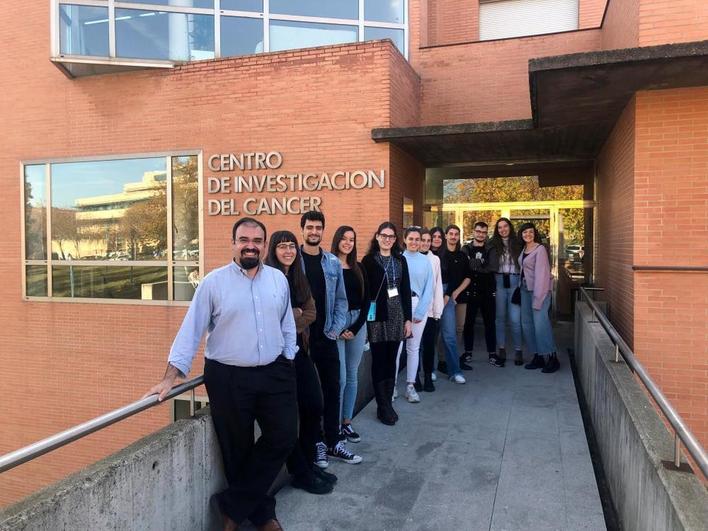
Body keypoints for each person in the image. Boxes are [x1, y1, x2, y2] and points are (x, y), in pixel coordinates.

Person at [144, 217, 297, 531]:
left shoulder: (279, 280)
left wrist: (289, 356)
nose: (250, 245)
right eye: (244, 239)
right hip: (228, 378)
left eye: (257, 240)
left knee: (284, 436)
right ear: (234, 243)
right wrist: (170, 377)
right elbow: (191, 330)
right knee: (236, 448)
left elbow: (287, 324)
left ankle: (231, 508)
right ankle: (264, 514)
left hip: (274, 373)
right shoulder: (213, 283)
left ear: (265, 245)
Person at [265, 231, 337, 496]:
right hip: (277, 359)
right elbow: (268, 320)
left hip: (300, 350)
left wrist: (292, 317)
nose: (288, 251)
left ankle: (308, 462)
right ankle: (301, 472)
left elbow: (312, 312)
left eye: (291, 246)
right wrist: (291, 317)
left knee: (314, 404)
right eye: (282, 246)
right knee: (288, 418)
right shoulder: (266, 278)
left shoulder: (298, 277)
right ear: (273, 250)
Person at [300, 211, 362, 466]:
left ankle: (334, 442)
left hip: (327, 336)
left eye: (318, 227)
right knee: (311, 396)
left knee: (333, 389)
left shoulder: (332, 263)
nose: (314, 231)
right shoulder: (294, 261)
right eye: (310, 227)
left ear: (323, 231)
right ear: (302, 229)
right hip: (302, 341)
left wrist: (334, 330)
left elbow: (340, 300)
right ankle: (316, 444)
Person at [361, 222, 412, 425]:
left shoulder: (401, 260)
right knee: (379, 360)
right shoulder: (368, 261)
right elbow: (365, 292)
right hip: (377, 317)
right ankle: (382, 406)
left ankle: (387, 403)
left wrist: (408, 319)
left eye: (391, 236)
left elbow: (406, 290)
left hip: (397, 315)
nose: (387, 239)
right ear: (377, 236)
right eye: (384, 235)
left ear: (395, 239)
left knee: (391, 360)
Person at [331, 226, 369, 444]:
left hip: (356, 323)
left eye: (351, 240)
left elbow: (366, 302)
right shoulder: (329, 265)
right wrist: (338, 326)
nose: (347, 243)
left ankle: (346, 423)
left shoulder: (359, 268)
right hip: (336, 323)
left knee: (353, 375)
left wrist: (355, 328)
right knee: (341, 377)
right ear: (337, 240)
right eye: (344, 239)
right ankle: (334, 426)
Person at [395, 226, 434, 403]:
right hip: (398, 306)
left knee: (413, 347)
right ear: (404, 239)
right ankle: (392, 386)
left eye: (417, 239)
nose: (414, 242)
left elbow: (429, 289)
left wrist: (420, 311)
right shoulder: (397, 259)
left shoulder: (426, 261)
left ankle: (410, 386)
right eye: (411, 239)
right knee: (397, 349)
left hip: (418, 305)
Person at [518, 223, 560, 373]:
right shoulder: (524, 249)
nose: (527, 234)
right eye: (524, 232)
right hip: (525, 290)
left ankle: (552, 358)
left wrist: (538, 298)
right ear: (521, 234)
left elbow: (542, 276)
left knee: (541, 325)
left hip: (539, 292)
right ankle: (538, 356)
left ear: (535, 233)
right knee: (527, 324)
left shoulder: (540, 249)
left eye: (530, 232)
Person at [488, 217, 524, 366]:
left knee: (515, 319)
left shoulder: (518, 243)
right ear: (497, 230)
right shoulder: (492, 244)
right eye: (500, 227)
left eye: (505, 226)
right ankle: (501, 348)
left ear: (510, 227)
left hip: (515, 282)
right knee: (500, 318)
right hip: (499, 281)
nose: (503, 229)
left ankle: (518, 350)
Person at [461, 222, 497, 366]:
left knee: (490, 323)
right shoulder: (466, 248)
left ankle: (492, 354)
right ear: (473, 232)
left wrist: (475, 265)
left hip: (487, 292)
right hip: (470, 291)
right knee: (468, 324)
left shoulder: (491, 248)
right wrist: (481, 263)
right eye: (478, 231)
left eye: (483, 232)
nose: (480, 234)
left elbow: (493, 267)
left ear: (486, 233)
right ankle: (468, 352)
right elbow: (464, 267)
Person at [439, 224, 471, 384]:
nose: (453, 236)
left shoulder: (462, 255)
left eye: (456, 234)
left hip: (454, 295)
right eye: (450, 233)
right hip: (439, 295)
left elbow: (468, 276)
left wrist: (455, 292)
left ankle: (454, 368)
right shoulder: (439, 254)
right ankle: (435, 367)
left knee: (453, 332)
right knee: (436, 334)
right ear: (446, 236)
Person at [419, 228, 444, 391]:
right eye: (423, 240)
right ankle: (414, 378)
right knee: (413, 348)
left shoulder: (434, 260)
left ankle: (428, 376)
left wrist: (437, 311)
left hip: (429, 312)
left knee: (428, 346)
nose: (426, 243)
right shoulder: (405, 258)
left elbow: (437, 286)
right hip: (413, 311)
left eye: (429, 241)